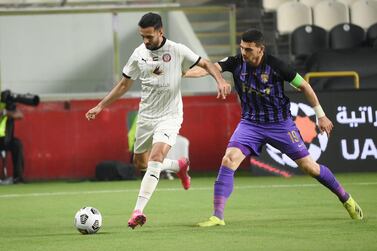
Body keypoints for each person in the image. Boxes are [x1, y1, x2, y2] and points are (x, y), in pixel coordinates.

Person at [184, 29, 363, 227]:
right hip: (250, 124)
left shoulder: (277, 66)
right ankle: (217, 216)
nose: (244, 52)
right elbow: (209, 68)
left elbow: (305, 87)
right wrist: (183, 73)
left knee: (310, 167)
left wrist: (321, 115)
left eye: (249, 49)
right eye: (242, 47)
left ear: (260, 49)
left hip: (280, 124)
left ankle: (346, 199)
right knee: (229, 159)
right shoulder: (236, 62)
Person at [85, 12, 231, 229]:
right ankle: (178, 165)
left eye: (149, 36)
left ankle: (137, 211)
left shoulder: (177, 50)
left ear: (160, 32)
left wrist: (219, 80)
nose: (145, 41)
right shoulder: (138, 54)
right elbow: (124, 85)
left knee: (155, 158)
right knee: (140, 163)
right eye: (142, 36)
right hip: (146, 115)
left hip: (170, 116)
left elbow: (207, 63)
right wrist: (100, 105)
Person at [0, 103, 24, 184]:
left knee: (17, 144)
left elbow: (20, 115)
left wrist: (5, 112)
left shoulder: (8, 107)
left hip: (7, 139)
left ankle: (18, 178)